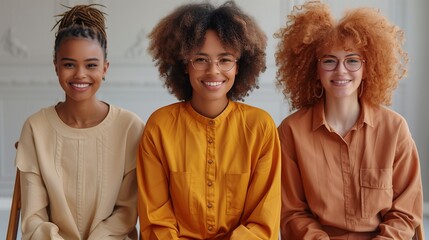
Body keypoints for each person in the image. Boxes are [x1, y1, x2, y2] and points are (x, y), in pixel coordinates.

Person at [275, 1, 423, 239]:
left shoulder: (395, 129)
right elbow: (292, 212)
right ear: (315, 68)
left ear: (368, 67)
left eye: (352, 60)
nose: (341, 71)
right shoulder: (291, 131)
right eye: (329, 60)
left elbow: (405, 212)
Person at [136, 1, 281, 239]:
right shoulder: (159, 127)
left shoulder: (260, 128)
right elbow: (156, 222)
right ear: (184, 65)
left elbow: (262, 223)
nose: (213, 71)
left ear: (239, 66)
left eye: (225, 60)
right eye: (201, 59)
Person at [15, 4, 144, 239]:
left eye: (91, 65)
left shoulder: (129, 127)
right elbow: (33, 218)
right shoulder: (35, 127)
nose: (80, 74)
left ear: (105, 68)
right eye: (69, 64)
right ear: (56, 66)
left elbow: (127, 213)